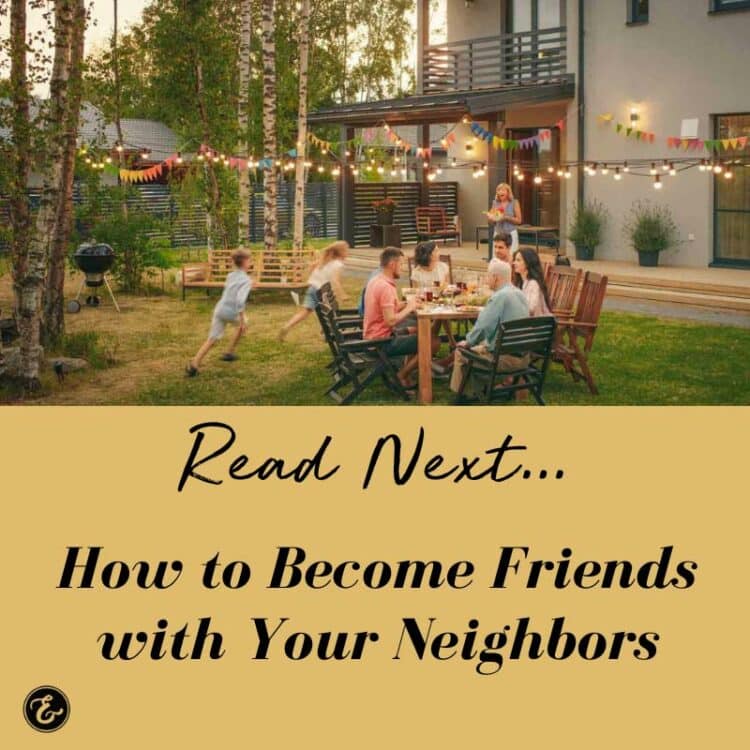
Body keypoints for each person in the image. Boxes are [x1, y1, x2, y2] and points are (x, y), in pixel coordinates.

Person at [449, 259, 530, 400]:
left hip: (504, 359)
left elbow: (483, 326)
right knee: (481, 347)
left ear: (495, 277)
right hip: (523, 357)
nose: (487, 279)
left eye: (488, 276)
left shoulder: (499, 297)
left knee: (461, 352)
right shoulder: (520, 294)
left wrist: (468, 342)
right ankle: (478, 391)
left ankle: (461, 396)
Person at [364, 247, 440, 391]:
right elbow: (390, 321)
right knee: (434, 341)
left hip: (374, 335)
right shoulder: (386, 287)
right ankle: (401, 375)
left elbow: (389, 307)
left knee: (420, 330)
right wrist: (409, 308)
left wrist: (407, 303)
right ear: (393, 264)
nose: (403, 268)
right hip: (381, 342)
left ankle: (407, 372)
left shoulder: (377, 280)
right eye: (402, 264)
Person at [186, 249, 253, 377]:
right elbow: (240, 300)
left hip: (220, 309)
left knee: (212, 338)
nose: (250, 262)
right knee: (244, 324)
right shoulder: (246, 280)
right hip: (232, 312)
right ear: (244, 262)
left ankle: (194, 364)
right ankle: (229, 352)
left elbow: (231, 289)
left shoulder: (230, 275)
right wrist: (242, 319)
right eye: (249, 260)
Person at [279, 240, 349, 341]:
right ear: (341, 252)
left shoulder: (325, 261)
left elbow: (311, 266)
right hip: (323, 291)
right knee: (331, 313)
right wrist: (342, 294)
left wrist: (313, 277)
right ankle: (327, 334)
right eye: (346, 250)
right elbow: (335, 280)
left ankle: (287, 326)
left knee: (305, 311)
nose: (348, 252)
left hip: (312, 288)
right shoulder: (338, 264)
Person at [486, 183, 522, 261]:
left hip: (511, 234)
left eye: (503, 190)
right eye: (498, 190)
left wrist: (505, 218)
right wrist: (490, 218)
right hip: (498, 234)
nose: (500, 192)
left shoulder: (514, 202)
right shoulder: (495, 203)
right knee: (497, 257)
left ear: (508, 192)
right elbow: (491, 222)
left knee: (511, 257)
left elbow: (519, 220)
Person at [513, 247, 552, 317]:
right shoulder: (520, 282)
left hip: (534, 324)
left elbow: (531, 309)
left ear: (528, 263)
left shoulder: (533, 284)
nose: (514, 263)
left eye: (518, 260)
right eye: (515, 260)